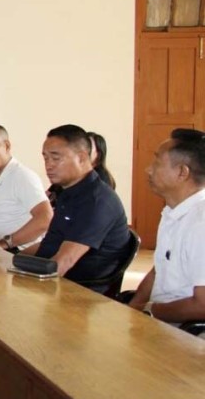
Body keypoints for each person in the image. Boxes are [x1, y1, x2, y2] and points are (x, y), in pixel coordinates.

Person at [19, 124, 129, 289]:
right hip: (50, 275)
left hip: (78, 291)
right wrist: (12, 260)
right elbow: (49, 244)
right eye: (45, 158)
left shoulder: (97, 201)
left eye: (56, 158)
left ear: (82, 158)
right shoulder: (67, 192)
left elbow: (64, 262)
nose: (48, 165)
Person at [127, 128, 205, 328]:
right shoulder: (173, 211)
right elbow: (159, 269)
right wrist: (132, 310)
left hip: (188, 333)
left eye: (157, 162)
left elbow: (202, 305)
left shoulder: (200, 222)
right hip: (160, 321)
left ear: (182, 172)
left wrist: (148, 310)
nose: (148, 170)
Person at [0, 124, 52, 251]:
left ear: (6, 146)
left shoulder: (22, 176)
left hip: (16, 251)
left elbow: (46, 218)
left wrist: (4, 244)